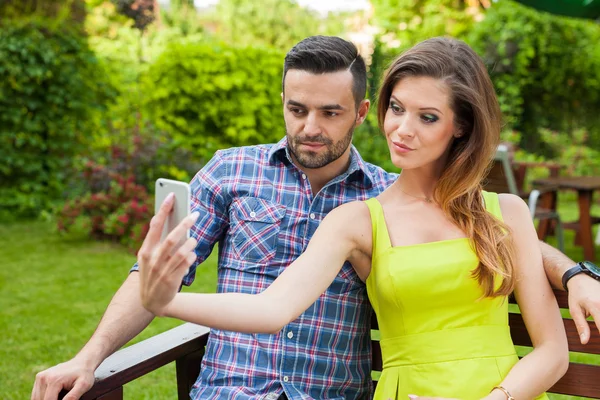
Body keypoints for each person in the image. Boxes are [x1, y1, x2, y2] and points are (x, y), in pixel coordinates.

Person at [33, 35, 600, 400]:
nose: (402, 128)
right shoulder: (343, 209)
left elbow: (491, 242)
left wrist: (574, 273)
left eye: (426, 116)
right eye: (397, 110)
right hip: (249, 389)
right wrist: (149, 310)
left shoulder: (429, 203)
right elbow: (267, 307)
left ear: (357, 114)